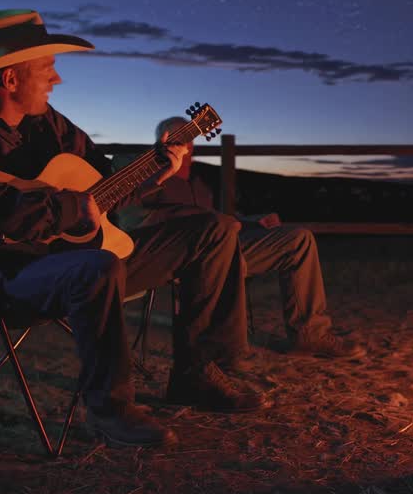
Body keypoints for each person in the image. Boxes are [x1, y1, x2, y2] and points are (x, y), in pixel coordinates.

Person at [0, 9, 265, 449]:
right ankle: (112, 409)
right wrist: (71, 206)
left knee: (214, 229)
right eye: (47, 67)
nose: (56, 79)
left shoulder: (48, 124)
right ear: (12, 79)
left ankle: (197, 373)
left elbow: (101, 190)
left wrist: (152, 174)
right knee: (96, 267)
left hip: (64, 262)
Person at [119, 117, 364, 359]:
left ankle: (310, 334)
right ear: (161, 142)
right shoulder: (148, 178)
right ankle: (225, 351)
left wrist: (252, 221)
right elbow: (137, 221)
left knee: (298, 239)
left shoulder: (199, 184)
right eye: (179, 139)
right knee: (223, 252)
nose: (186, 147)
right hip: (186, 252)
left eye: (189, 140)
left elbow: (222, 218)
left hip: (226, 242)